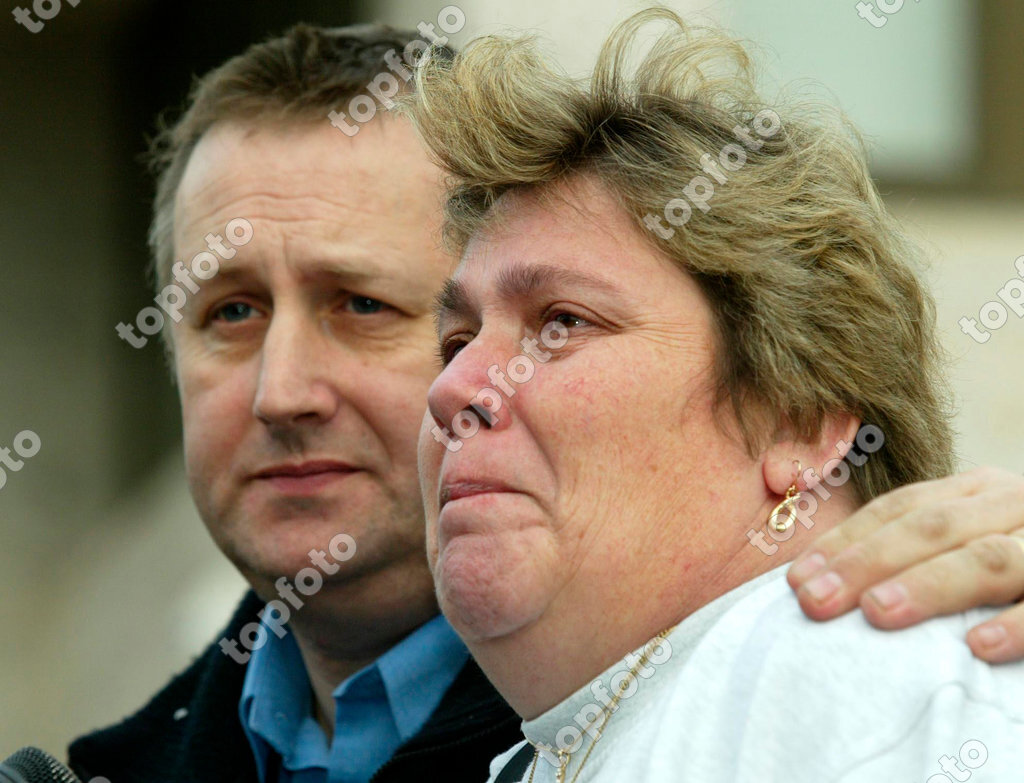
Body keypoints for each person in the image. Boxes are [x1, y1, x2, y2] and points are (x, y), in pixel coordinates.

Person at [65, 17, 1024, 783]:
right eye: (230, 310)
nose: (282, 389)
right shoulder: (570, 725)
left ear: (800, 417)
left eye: (361, 303)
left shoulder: (881, 673)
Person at [408, 9, 1024, 781]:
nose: (451, 388)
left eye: (561, 323)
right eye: (456, 342)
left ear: (796, 421)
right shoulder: (568, 739)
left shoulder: (857, 668)